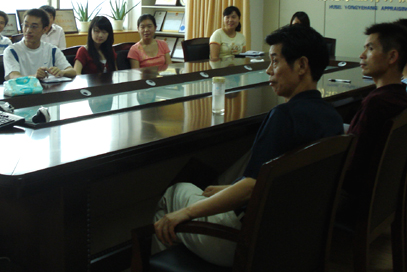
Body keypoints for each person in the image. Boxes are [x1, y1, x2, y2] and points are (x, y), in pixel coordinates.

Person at [154, 24, 343, 267]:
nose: (268, 70)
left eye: (275, 61)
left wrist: (186, 213)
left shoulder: (283, 116)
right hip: (296, 236)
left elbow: (251, 188)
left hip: (246, 240)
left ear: (302, 65)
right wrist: (229, 189)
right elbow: (275, 183)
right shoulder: (333, 118)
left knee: (172, 197)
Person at [343, 22, 407, 196]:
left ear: (392, 56)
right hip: (386, 196)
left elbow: (351, 165)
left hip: (355, 198)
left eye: (370, 49)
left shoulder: (376, 104)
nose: (362, 55)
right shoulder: (401, 96)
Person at [4, 8, 76, 80]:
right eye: (25, 25)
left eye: (34, 27)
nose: (28, 30)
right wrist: (35, 76)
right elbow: (14, 77)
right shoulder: (11, 51)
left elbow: (72, 72)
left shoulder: (52, 50)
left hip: (49, 87)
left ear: (44, 29)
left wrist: (61, 72)